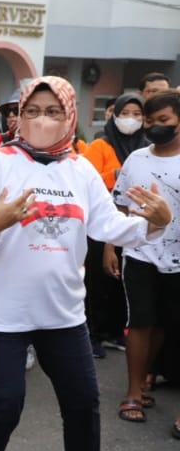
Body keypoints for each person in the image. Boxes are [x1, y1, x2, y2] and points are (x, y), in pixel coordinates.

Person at [0, 77, 172, 451]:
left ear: (69, 116)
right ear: (19, 115)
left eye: (53, 111)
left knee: (82, 399)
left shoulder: (79, 169)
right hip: (0, 312)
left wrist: (156, 224)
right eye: (33, 110)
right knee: (3, 403)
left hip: (62, 312)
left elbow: (110, 226)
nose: (41, 119)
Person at [109, 89, 180, 429]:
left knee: (168, 326)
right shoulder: (137, 159)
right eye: (149, 121)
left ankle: (152, 376)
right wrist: (112, 246)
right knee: (140, 322)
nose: (154, 127)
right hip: (139, 253)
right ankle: (134, 392)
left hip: (178, 259)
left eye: (163, 120)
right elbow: (120, 205)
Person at [84, 94, 144, 357]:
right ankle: (92, 333)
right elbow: (89, 178)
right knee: (98, 280)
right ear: (115, 114)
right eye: (126, 112)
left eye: (137, 114)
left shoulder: (146, 147)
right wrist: (116, 176)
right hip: (101, 219)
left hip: (133, 220)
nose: (131, 119)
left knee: (123, 281)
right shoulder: (100, 145)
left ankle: (115, 331)